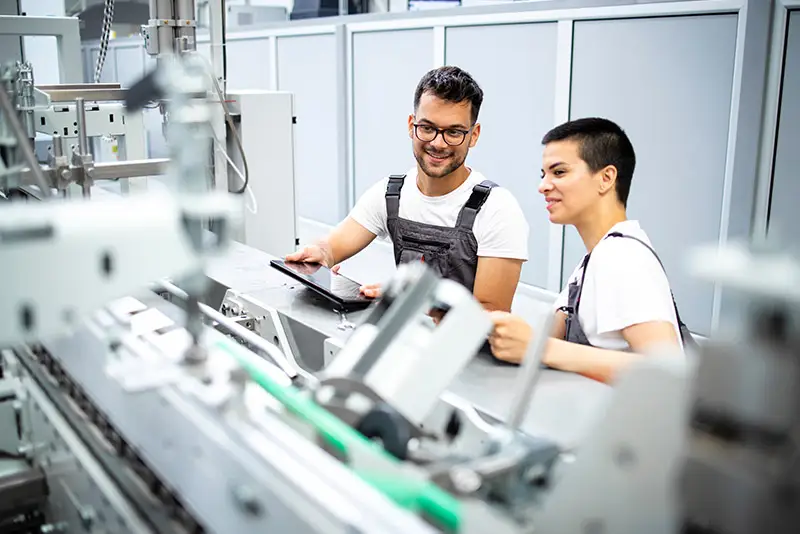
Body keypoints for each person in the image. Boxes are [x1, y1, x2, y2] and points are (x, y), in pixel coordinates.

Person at [286, 66, 529, 312]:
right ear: (411, 125)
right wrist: (319, 253)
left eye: (454, 132)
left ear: (473, 135)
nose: (437, 142)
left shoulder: (497, 209)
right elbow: (332, 246)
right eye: (427, 128)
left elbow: (490, 316)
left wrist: (414, 303)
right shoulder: (391, 193)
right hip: (404, 341)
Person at [488, 117, 695, 383]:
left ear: (606, 178)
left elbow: (668, 373)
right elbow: (549, 336)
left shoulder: (622, 257)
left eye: (559, 172)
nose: (543, 186)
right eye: (543, 175)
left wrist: (541, 348)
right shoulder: (594, 261)